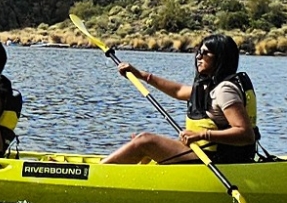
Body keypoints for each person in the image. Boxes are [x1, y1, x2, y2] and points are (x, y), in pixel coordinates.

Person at [101, 33, 258, 165]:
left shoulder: (225, 90)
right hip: (205, 155)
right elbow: (178, 90)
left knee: (145, 141)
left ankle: (95, 174)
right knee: (146, 146)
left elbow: (245, 134)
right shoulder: (209, 87)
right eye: (199, 52)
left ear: (221, 59)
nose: (199, 56)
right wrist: (140, 75)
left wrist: (201, 135)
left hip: (217, 162)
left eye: (206, 53)